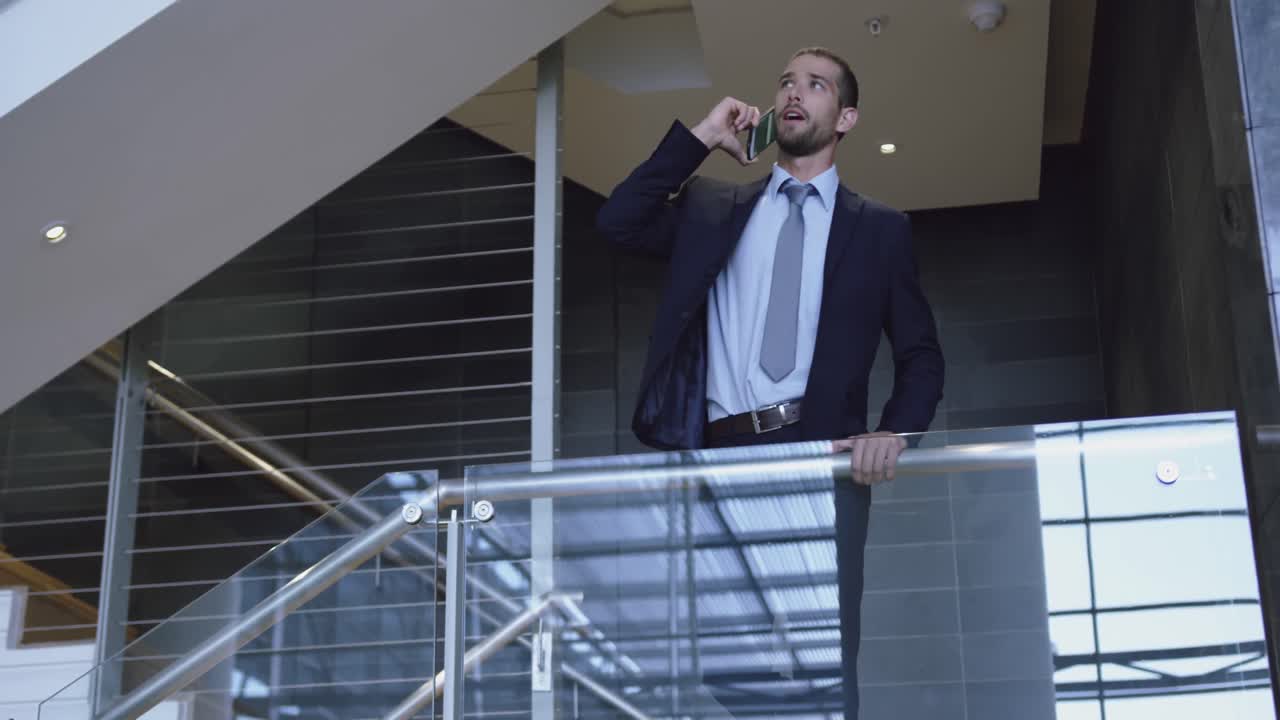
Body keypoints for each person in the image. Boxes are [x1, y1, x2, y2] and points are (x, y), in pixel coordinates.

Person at [596, 46, 945, 716]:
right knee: (730, 670)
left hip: (823, 462)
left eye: (815, 85)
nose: (794, 92)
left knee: (823, 666)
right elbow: (618, 222)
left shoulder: (880, 231)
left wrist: (893, 435)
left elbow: (922, 354)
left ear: (844, 117)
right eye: (786, 81)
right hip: (718, 460)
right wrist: (701, 139)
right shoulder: (713, 210)